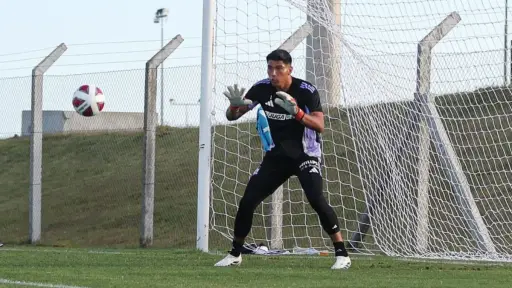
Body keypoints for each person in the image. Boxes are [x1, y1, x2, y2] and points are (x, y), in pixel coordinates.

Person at [214, 49, 351, 270]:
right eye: (270, 68)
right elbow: (233, 116)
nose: (273, 73)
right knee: (248, 200)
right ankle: (235, 253)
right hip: (276, 157)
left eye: (279, 68)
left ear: (289, 69)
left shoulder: (306, 91)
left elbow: (320, 126)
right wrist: (233, 106)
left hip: (306, 154)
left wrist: (296, 112)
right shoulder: (261, 89)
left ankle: (342, 254)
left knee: (316, 198)